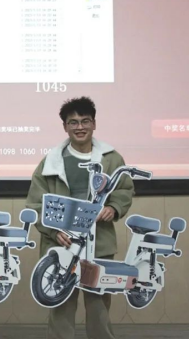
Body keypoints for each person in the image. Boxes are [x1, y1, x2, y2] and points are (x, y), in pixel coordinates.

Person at [26, 97, 134, 339]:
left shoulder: (111, 158)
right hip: (61, 241)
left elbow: (125, 189)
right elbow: (35, 203)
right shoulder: (51, 161)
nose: (79, 127)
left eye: (85, 121)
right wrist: (54, 232)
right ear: (65, 126)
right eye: (73, 122)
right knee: (60, 300)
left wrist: (114, 207)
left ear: (94, 124)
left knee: (98, 303)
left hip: (99, 241)